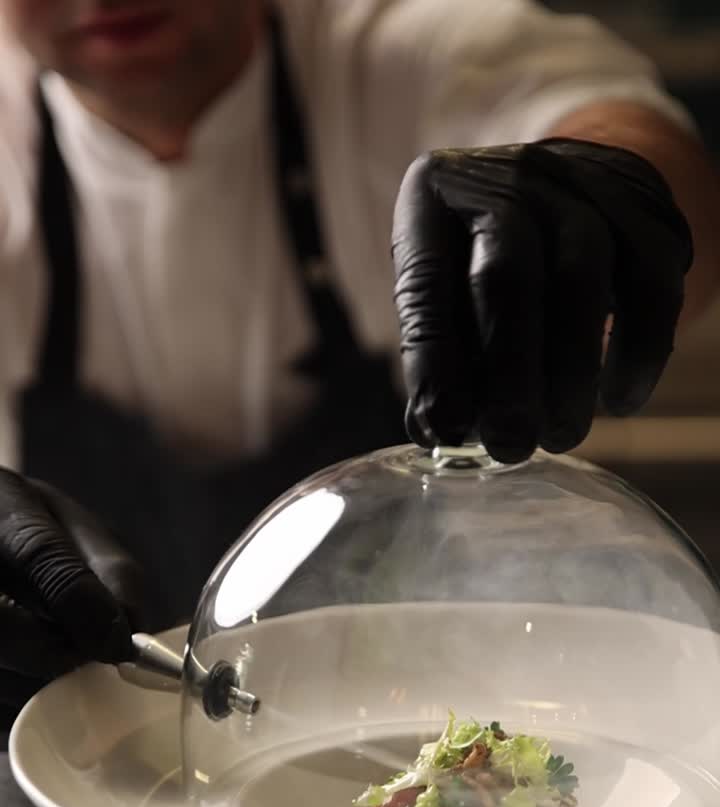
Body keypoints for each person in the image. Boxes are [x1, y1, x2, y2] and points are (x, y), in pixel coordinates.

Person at [0, 0, 718, 726]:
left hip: (435, 694)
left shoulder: (404, 44)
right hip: (90, 730)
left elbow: (630, 135)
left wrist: (597, 193)